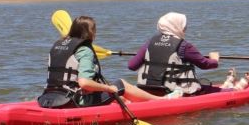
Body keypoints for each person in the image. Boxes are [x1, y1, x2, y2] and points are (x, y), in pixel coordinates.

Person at [38, 16, 171, 108]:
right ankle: (160, 101)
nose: (96, 33)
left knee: (110, 88)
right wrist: (109, 88)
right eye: (94, 30)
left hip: (49, 96)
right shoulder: (85, 50)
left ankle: (127, 101)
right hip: (75, 101)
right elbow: (84, 83)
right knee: (120, 84)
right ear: (90, 32)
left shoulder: (57, 45)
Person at [128, 12, 249, 96]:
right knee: (209, 90)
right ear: (176, 26)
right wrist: (215, 60)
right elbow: (205, 64)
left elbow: (132, 66)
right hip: (175, 92)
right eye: (184, 26)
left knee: (202, 85)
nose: (185, 28)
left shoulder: (149, 43)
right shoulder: (184, 45)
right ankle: (237, 88)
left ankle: (228, 82)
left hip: (147, 91)